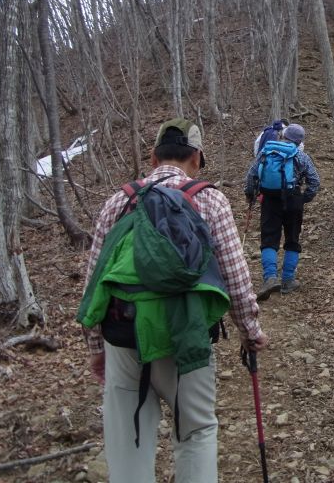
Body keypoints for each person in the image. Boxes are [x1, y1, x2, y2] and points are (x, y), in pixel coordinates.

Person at [79, 118, 267, 483]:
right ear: (196, 157)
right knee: (195, 433)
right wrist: (250, 330)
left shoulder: (120, 201)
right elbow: (235, 276)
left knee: (128, 441)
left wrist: (95, 347)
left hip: (123, 336)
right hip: (187, 337)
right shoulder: (209, 199)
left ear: (152, 157)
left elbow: (94, 282)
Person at [244, 123, 320, 300]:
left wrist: (250, 195)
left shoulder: (267, 151)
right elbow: (315, 181)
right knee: (292, 238)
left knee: (269, 238)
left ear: (283, 135)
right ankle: (287, 280)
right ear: (300, 140)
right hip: (293, 199)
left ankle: (270, 277)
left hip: (269, 199)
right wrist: (304, 198)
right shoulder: (301, 156)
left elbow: (251, 175)